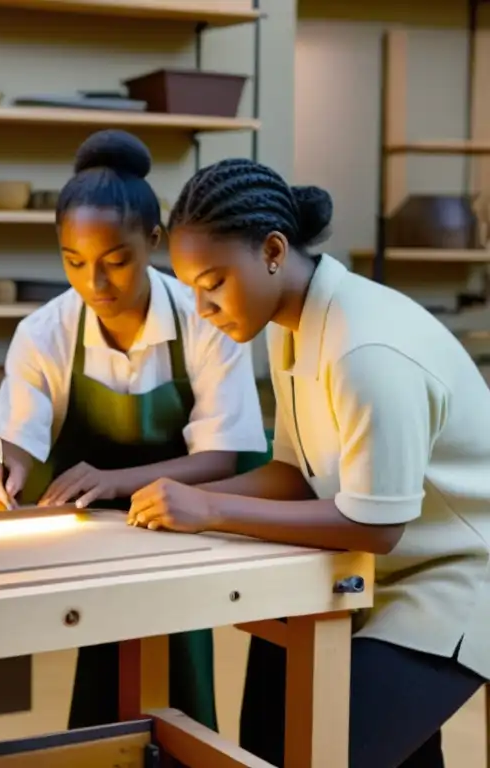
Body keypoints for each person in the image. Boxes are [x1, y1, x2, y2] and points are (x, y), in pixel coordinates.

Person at [135, 156, 490, 767]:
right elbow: (295, 475)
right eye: (192, 287)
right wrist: (181, 503)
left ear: (272, 250)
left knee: (320, 752)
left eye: (213, 282)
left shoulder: (366, 347)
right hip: (384, 573)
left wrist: (212, 507)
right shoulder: (290, 321)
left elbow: (375, 526)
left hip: (460, 576)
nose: (202, 308)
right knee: (270, 730)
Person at [0, 130, 268, 731]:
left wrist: (114, 480)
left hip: (189, 532)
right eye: (74, 262)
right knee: (101, 694)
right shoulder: (44, 332)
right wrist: (7, 473)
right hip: (92, 548)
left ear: (154, 243)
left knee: (182, 682)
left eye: (116, 261)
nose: (95, 284)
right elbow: (19, 440)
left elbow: (222, 457)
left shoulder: (205, 319)